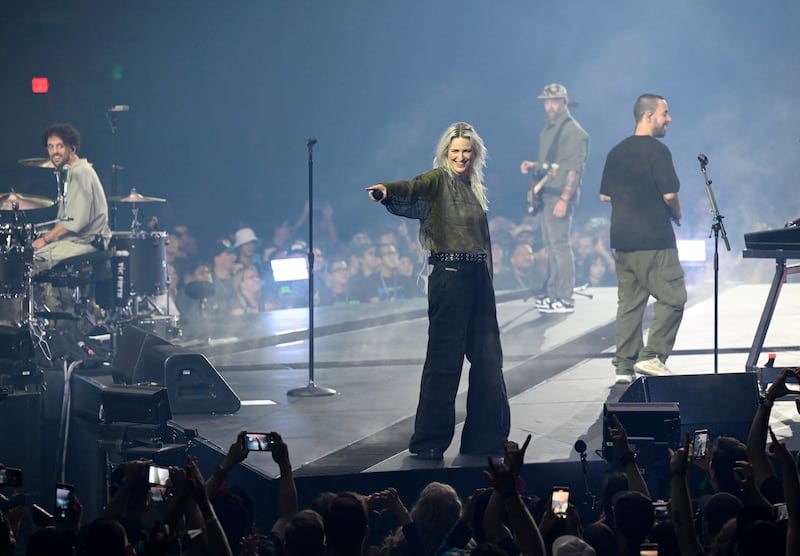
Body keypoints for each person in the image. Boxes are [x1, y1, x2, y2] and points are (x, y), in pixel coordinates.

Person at [366, 121, 510, 460]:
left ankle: (484, 440)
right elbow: (412, 186)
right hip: (449, 273)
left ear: (475, 154)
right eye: (455, 151)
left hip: (477, 275)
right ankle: (430, 441)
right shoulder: (438, 180)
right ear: (446, 153)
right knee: (445, 359)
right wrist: (387, 189)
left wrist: (488, 278)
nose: (461, 157)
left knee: (489, 358)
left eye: (466, 151)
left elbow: (484, 241)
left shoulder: (474, 188)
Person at [599, 93, 686, 383]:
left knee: (630, 304)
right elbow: (670, 194)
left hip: (622, 239)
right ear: (648, 116)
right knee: (674, 297)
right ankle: (653, 356)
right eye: (665, 113)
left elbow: (605, 195)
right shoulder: (658, 151)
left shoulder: (616, 152)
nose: (669, 119)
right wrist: (677, 214)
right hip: (654, 238)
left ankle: (624, 366)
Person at [520, 83, 589, 314]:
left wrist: (565, 199)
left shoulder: (574, 132)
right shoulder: (549, 129)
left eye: (554, 101)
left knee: (560, 245)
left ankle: (565, 297)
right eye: (546, 102)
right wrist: (534, 165)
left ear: (564, 102)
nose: (549, 106)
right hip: (547, 194)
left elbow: (573, 169)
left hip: (560, 195)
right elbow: (554, 163)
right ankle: (552, 293)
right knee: (551, 246)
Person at [33, 123, 111, 310]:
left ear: (72, 148)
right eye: (50, 147)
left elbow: (74, 222)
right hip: (77, 241)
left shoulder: (80, 172)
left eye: (59, 146)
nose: (54, 151)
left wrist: (45, 238)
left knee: (30, 260)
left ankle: (52, 314)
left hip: (84, 243)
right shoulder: (73, 172)